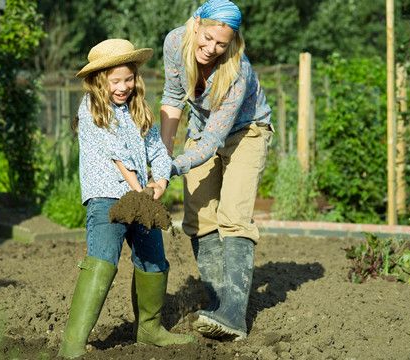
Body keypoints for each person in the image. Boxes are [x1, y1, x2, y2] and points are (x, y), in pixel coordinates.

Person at [59, 38, 194, 359]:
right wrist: (139, 188)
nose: (123, 87)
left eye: (128, 79)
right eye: (115, 81)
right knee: (103, 261)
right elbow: (115, 154)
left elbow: (157, 149)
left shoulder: (137, 110)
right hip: (107, 197)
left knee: (154, 260)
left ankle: (149, 329)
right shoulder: (91, 109)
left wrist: (160, 179)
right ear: (98, 81)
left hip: (140, 196)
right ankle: (73, 346)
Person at [160, 0, 273, 342]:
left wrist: (175, 165)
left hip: (245, 131)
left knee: (233, 215)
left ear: (232, 43)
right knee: (199, 219)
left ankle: (234, 315)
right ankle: (217, 305)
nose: (211, 49)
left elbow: (213, 139)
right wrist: (162, 156)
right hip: (202, 127)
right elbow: (172, 97)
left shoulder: (238, 71)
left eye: (221, 44)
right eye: (207, 38)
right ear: (196, 24)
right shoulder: (174, 43)